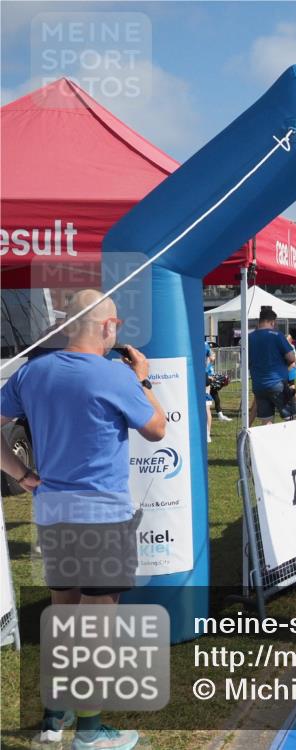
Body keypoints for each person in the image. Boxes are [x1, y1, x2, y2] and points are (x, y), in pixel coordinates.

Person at [0, 289, 166, 749]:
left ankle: (55, 720)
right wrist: (144, 380)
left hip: (53, 512)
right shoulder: (115, 375)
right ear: (107, 327)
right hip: (102, 516)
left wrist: (22, 475)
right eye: (116, 325)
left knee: (65, 616)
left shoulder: (32, 372)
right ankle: (90, 734)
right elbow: (157, 429)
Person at [248, 306, 296, 425]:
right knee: (291, 417)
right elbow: (291, 358)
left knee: (266, 420)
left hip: (258, 385)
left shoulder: (249, 337)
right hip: (277, 383)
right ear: (272, 322)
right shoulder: (276, 335)